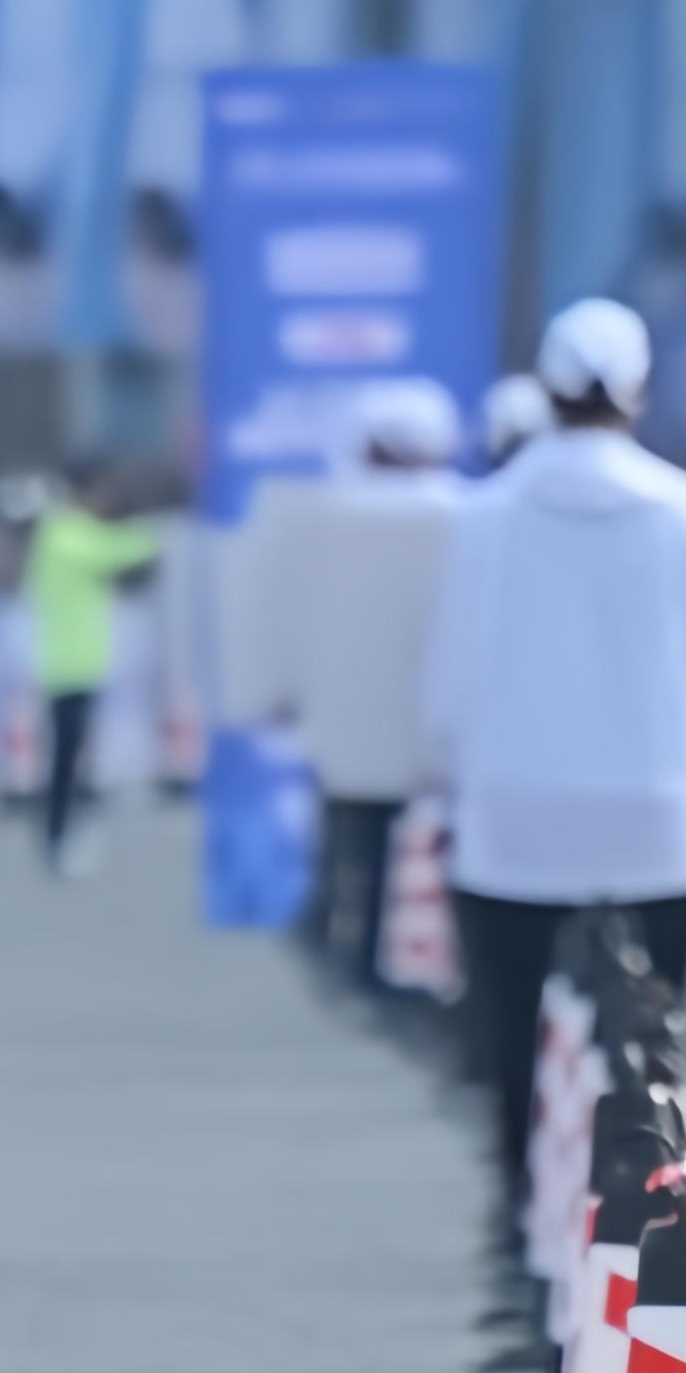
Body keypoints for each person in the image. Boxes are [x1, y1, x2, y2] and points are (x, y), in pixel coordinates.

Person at [422, 298, 686, 1195]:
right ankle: (659, 1193)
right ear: (639, 390)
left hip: (515, 808)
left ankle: (521, 1198)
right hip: (657, 805)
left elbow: (451, 669)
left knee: (509, 1026)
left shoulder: (483, 516)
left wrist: (449, 770)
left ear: (545, 389)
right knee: (660, 1024)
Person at [229, 379, 462, 994]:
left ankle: (339, 947)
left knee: (348, 846)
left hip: (345, 730)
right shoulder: (467, 517)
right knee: (416, 856)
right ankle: (390, 962)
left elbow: (273, 616)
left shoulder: (314, 515)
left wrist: (271, 695)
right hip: (426, 727)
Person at [22, 462, 168, 872]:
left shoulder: (69, 532)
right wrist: (154, 529)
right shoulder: (64, 532)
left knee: (74, 757)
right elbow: (120, 549)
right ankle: (57, 837)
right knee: (66, 759)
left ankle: (61, 835)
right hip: (66, 664)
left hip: (81, 663)